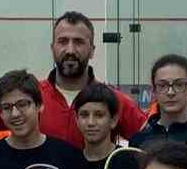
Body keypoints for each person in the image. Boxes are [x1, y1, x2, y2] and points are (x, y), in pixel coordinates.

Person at [27, 11, 147, 148]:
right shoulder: (30, 96)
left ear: (92, 50)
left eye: (79, 42)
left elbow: (152, 144)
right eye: (63, 41)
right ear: (52, 48)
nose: (70, 50)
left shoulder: (116, 100)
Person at [130, 55, 187, 163]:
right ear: (154, 91)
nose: (170, 92)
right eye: (162, 85)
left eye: (179, 85)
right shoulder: (138, 140)